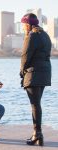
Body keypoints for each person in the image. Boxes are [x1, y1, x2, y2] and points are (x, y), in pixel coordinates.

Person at [20, 13, 52, 146]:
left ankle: (37, 134)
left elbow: (25, 56)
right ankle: (38, 134)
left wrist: (22, 72)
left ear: (28, 25)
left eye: (23, 25)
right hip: (45, 73)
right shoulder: (45, 35)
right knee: (37, 104)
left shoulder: (31, 35)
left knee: (35, 104)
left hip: (33, 73)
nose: (23, 28)